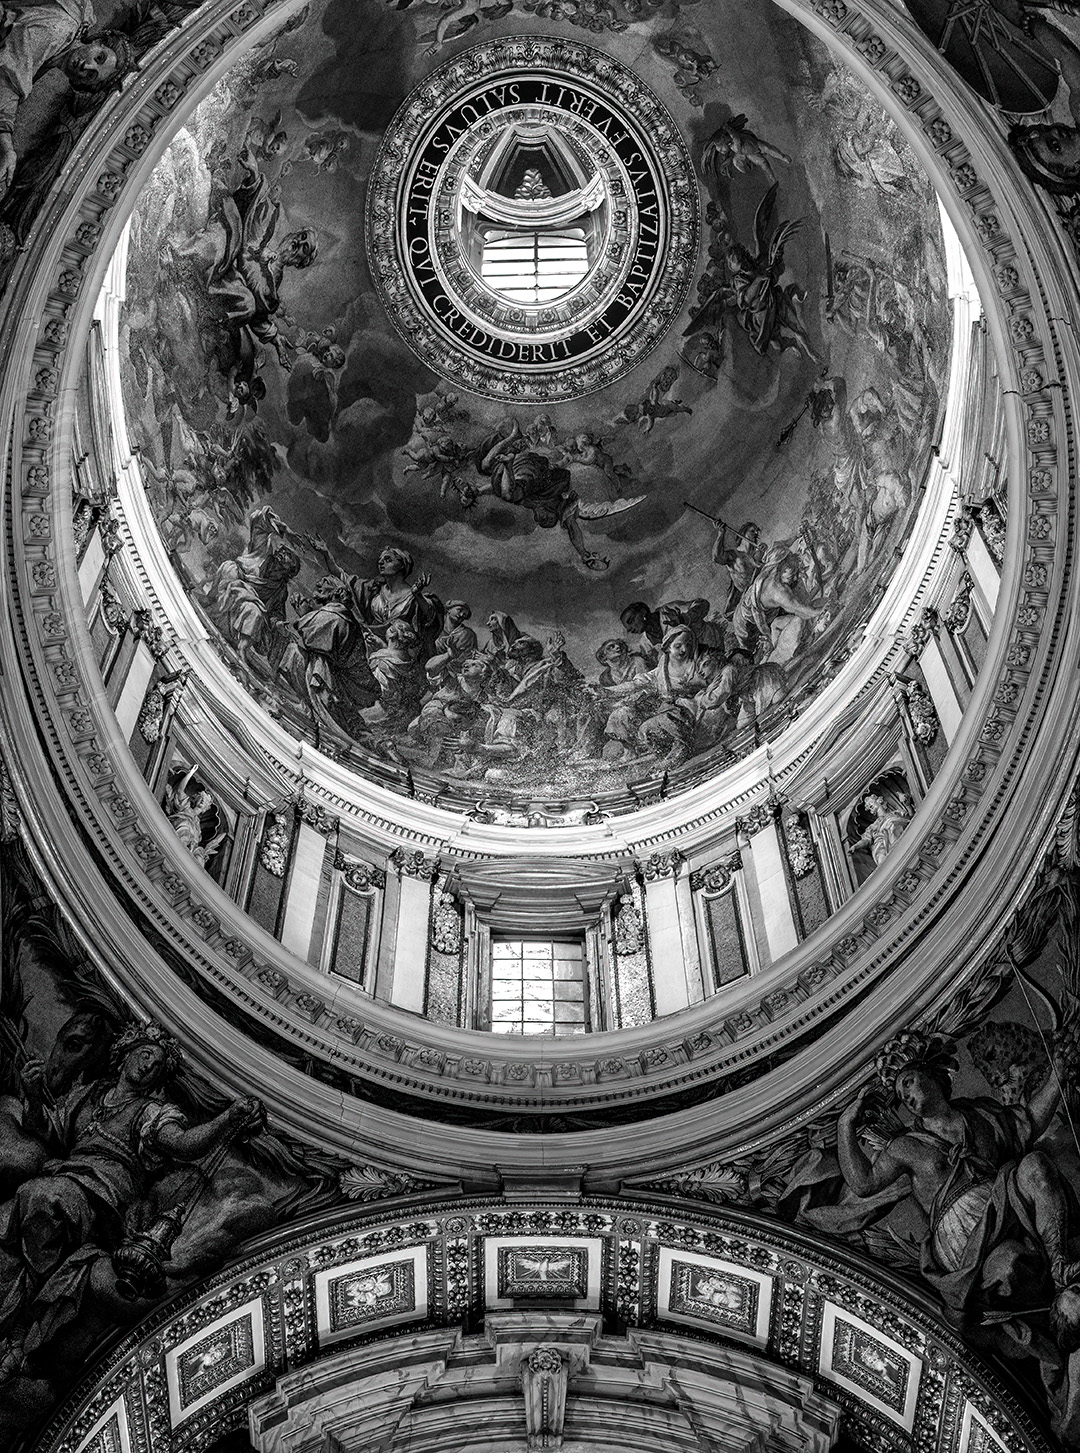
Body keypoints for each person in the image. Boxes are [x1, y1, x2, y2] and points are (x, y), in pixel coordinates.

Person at [0, 1023, 263, 1375]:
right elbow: (47, 1129)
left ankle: (24, 1315)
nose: (147, 1066)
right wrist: (33, 1094)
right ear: (125, 1054)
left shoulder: (152, 1112)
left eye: (156, 1065)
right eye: (144, 1055)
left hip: (102, 1195)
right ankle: (22, 1306)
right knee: (28, 1202)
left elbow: (185, 1145)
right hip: (64, 1176)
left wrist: (226, 1118)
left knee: (45, 1196)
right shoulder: (90, 1095)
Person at [836, 1031, 1080, 1347]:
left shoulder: (979, 1114)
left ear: (930, 1073)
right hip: (963, 1245)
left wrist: (1058, 1074)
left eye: (908, 1082)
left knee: (1035, 1165)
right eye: (901, 1093)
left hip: (1006, 1209)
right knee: (1011, 1267)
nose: (906, 1096)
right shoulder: (905, 1147)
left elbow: (1029, 1121)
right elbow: (863, 1183)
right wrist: (845, 1125)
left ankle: (1059, 1264)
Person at [731, 554, 824, 663]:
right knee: (754, 654)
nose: (794, 578)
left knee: (777, 630)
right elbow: (802, 611)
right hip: (746, 626)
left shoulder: (775, 564)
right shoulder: (778, 591)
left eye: (796, 573)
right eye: (791, 575)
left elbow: (781, 546)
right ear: (783, 570)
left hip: (749, 613)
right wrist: (822, 610)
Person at [847, 791, 910, 866]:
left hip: (899, 836)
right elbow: (866, 840)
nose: (869, 806)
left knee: (892, 825)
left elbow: (910, 818)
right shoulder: (872, 826)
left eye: (871, 803)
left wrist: (908, 804)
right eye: (868, 806)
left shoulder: (895, 814)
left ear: (879, 801)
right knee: (881, 859)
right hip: (880, 846)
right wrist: (855, 846)